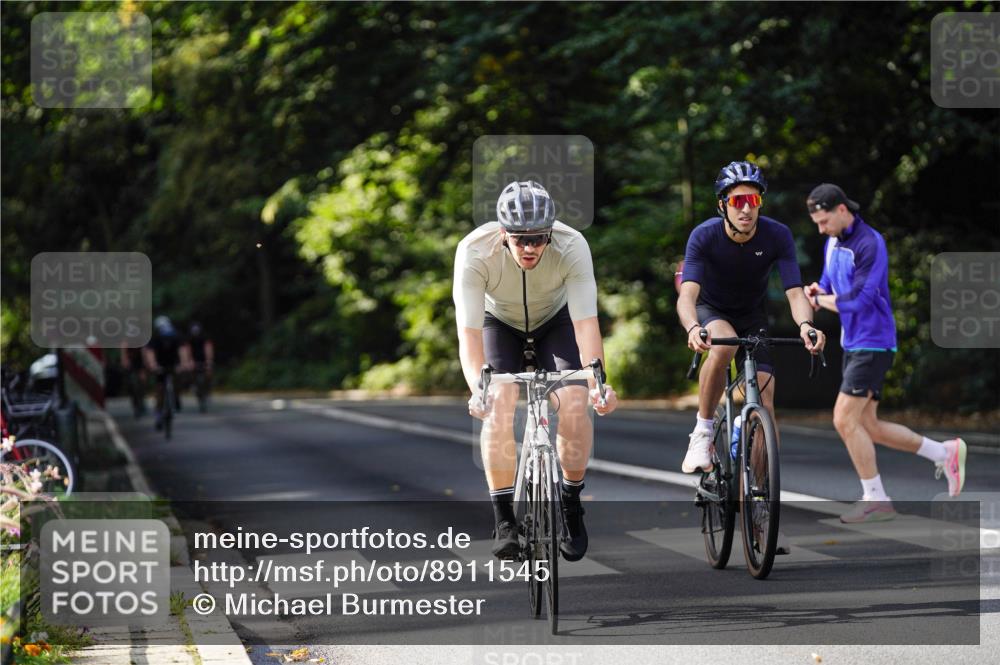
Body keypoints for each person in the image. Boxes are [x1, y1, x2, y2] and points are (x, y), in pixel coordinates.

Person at [453, 180, 618, 562]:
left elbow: (586, 324)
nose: (530, 248)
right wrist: (478, 389)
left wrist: (598, 384)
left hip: (555, 320)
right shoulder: (474, 251)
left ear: (550, 232)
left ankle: (571, 503)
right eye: (520, 239)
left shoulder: (572, 245)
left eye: (539, 239)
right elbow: (470, 333)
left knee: (576, 401)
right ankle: (505, 518)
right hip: (499, 323)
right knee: (499, 399)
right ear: (503, 233)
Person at [677, 161, 826, 553]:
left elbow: (795, 293)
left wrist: (805, 327)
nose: (747, 208)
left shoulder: (777, 235)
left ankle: (756, 502)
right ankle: (703, 431)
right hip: (712, 312)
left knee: (765, 399)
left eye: (754, 200)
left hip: (752, 315)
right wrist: (694, 328)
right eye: (738, 200)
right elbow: (687, 294)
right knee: (724, 344)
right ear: (723, 204)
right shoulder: (704, 236)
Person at [804, 184, 967, 523]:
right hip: (854, 343)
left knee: (843, 419)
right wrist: (818, 290)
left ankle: (876, 498)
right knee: (870, 426)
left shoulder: (870, 243)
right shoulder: (833, 242)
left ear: (842, 211)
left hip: (874, 342)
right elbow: (829, 285)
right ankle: (945, 452)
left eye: (823, 221)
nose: (821, 229)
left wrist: (818, 302)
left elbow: (860, 300)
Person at [143, 316, 187, 430]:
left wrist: (183, 364)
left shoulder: (176, 336)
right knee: (160, 390)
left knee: (178, 379)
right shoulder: (155, 339)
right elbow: (150, 352)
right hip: (160, 365)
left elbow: (182, 350)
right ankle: (158, 414)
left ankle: (177, 397)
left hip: (173, 363)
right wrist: (153, 365)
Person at [185, 322, 215, 412]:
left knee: (208, 373)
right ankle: (193, 384)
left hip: (204, 359)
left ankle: (208, 389)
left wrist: (209, 361)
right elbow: (187, 350)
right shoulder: (189, 339)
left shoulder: (205, 338)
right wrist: (189, 361)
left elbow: (208, 349)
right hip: (194, 360)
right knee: (190, 372)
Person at [120, 340, 147, 417]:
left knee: (142, 383)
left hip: (139, 363)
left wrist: (143, 369)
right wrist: (125, 362)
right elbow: (123, 355)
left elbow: (144, 355)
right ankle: (135, 404)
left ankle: (141, 401)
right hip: (131, 364)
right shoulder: (126, 342)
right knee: (132, 384)